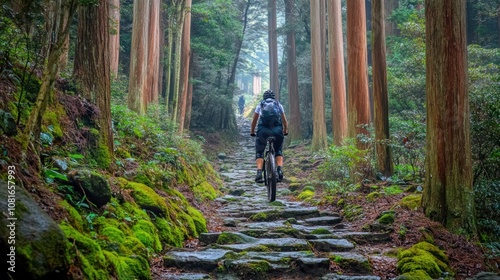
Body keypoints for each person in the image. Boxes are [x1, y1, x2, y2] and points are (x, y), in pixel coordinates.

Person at [250, 89, 288, 183]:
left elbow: (254, 120)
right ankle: (279, 169)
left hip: (263, 130)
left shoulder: (261, 104)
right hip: (277, 130)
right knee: (278, 150)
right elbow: (284, 120)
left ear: (264, 97)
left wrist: (252, 131)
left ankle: (259, 173)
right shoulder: (278, 104)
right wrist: (285, 130)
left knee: (260, 151)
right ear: (273, 97)